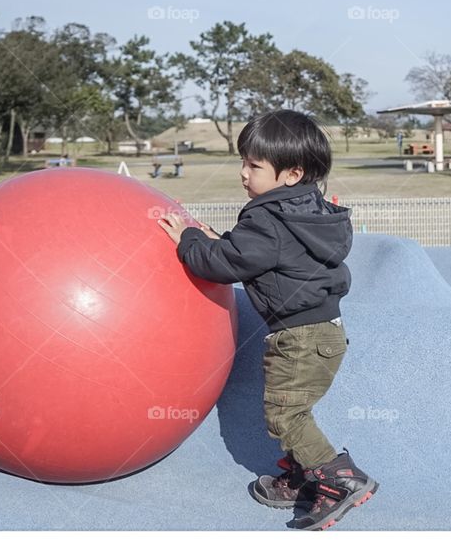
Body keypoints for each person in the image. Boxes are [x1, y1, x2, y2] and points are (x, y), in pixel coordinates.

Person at [157, 109, 378, 530]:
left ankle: (339, 479)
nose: (243, 173)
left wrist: (188, 241)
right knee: (295, 410)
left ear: (292, 173)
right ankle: (301, 478)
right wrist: (219, 239)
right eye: (243, 162)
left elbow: (225, 265)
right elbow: (267, 257)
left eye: (254, 166)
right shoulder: (307, 213)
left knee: (285, 416)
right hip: (325, 335)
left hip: (297, 339)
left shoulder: (265, 218)